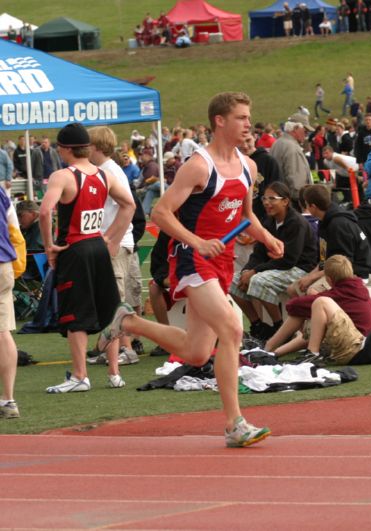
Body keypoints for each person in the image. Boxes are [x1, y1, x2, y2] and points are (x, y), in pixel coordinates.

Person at [97, 92, 284, 448]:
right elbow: (160, 213)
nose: (248, 124)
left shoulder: (249, 165)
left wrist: (266, 238)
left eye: (249, 117)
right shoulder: (198, 166)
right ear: (220, 121)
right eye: (242, 117)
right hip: (192, 257)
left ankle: (129, 322)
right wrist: (197, 242)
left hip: (223, 260)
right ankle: (234, 423)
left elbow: (245, 216)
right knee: (231, 328)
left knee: (198, 352)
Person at [39, 123, 135, 393]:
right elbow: (130, 205)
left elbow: (45, 212)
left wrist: (49, 246)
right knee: (109, 309)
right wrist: (112, 238)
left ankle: (80, 375)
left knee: (75, 313)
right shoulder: (104, 175)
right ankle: (114, 373)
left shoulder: (63, 175)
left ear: (65, 149)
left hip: (75, 248)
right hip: (97, 244)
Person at [86, 126, 143, 377]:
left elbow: (127, 207)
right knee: (119, 299)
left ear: (96, 146)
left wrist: (111, 239)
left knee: (116, 301)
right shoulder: (108, 170)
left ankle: (124, 349)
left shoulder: (109, 171)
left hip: (118, 244)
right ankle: (120, 347)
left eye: (87, 145)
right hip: (123, 242)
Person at [230, 182, 317, 341]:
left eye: (272, 199)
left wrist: (255, 272)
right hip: (278, 267)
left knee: (259, 280)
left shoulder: (296, 222)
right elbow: (258, 253)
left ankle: (280, 328)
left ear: (285, 201)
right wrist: (246, 271)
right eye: (264, 198)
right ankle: (258, 326)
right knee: (233, 281)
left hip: (301, 269)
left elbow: (289, 260)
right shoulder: (268, 222)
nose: (266, 203)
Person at [266, 255, 371, 359]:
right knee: (317, 328)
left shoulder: (339, 294)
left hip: (352, 347)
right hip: (366, 344)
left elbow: (293, 305)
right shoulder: (358, 289)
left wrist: (316, 296)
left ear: (328, 280)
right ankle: (272, 353)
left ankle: (271, 348)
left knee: (317, 304)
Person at [294, 184, 371, 294]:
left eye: (306, 205)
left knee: (312, 291)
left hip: (355, 273)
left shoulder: (338, 225)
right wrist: (309, 276)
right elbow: (324, 260)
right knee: (294, 288)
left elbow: (342, 265)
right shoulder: (326, 221)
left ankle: (329, 311)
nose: (306, 208)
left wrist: (311, 278)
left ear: (313, 206)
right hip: (336, 270)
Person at [0, 178, 24, 418]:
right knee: (3, 331)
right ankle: (8, 399)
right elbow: (14, 230)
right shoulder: (1, 191)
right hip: (4, 262)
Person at [271, 112, 314, 206]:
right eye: (305, 131)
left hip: (280, 201)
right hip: (293, 204)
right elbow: (297, 185)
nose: (306, 135)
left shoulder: (277, 143)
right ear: (295, 129)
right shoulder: (292, 148)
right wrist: (303, 204)